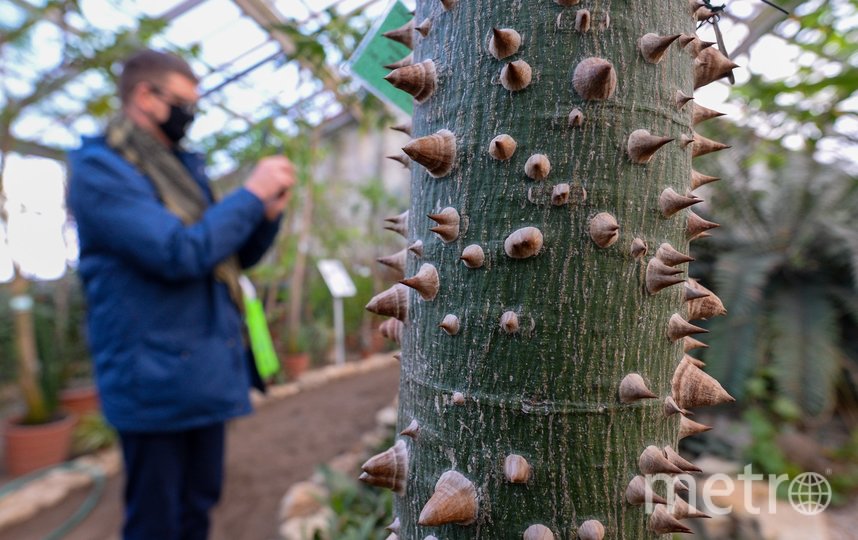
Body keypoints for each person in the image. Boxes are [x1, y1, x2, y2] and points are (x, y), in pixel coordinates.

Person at [67, 49, 295, 540]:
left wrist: (265, 217)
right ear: (146, 97)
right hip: (152, 380)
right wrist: (249, 195)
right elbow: (176, 253)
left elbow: (223, 258)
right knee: (155, 520)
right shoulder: (101, 169)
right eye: (184, 104)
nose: (190, 116)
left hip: (202, 371)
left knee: (199, 504)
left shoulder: (181, 169)